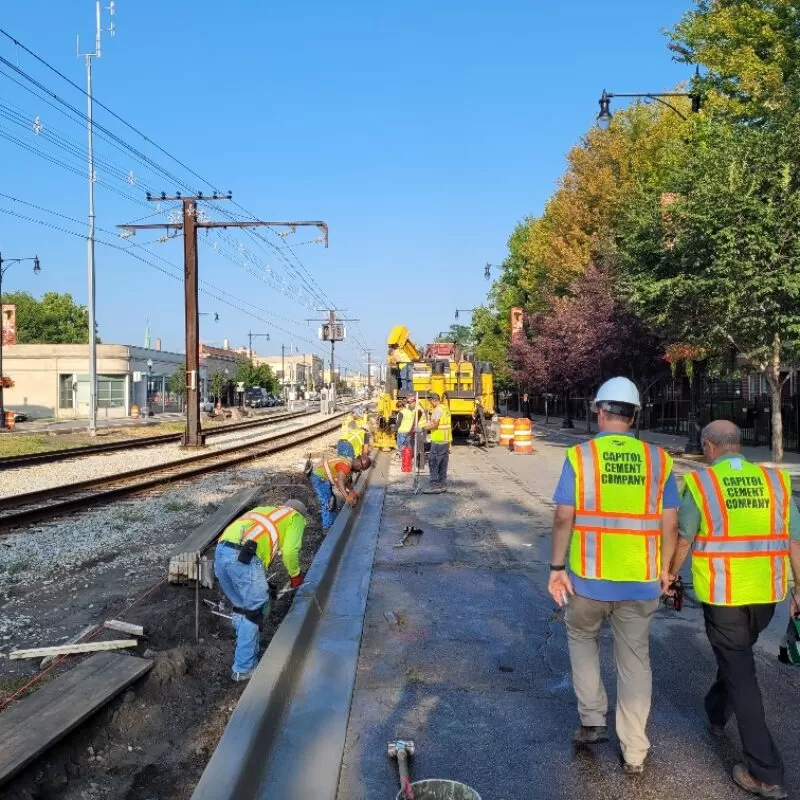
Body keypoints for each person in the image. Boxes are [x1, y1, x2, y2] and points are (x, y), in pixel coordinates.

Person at [548, 376, 680, 775]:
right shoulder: (659, 460)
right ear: (635, 415)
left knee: (582, 640)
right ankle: (635, 751)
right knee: (636, 661)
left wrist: (556, 568)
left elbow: (563, 517)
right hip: (640, 582)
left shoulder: (581, 457)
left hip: (588, 579)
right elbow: (670, 525)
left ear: (601, 412)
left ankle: (592, 720)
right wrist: (666, 570)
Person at [668, 420, 800, 799]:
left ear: (709, 446)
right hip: (766, 596)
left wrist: (669, 574)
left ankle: (765, 772)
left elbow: (684, 537)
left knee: (741, 673)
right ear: (738, 445)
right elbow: (794, 540)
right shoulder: (774, 483)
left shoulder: (703, 483)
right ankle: (715, 711)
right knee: (736, 661)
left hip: (724, 595)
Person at [214, 499, 308, 682]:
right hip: (243, 558)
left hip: (220, 553)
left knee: (241, 606)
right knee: (254, 611)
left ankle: (245, 648)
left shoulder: (265, 510)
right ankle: (244, 668)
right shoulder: (295, 517)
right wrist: (295, 575)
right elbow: (290, 551)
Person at [310, 454, 371, 529]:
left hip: (322, 475)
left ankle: (332, 520)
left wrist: (352, 491)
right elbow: (340, 482)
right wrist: (346, 497)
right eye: (360, 469)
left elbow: (345, 480)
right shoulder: (346, 466)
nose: (358, 471)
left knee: (332, 500)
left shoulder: (348, 462)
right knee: (327, 502)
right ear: (359, 465)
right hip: (319, 477)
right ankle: (327, 526)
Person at [422, 393, 451, 492]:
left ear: (434, 400)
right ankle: (442, 484)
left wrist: (423, 428)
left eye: (431, 402)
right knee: (443, 462)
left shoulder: (437, 410)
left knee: (433, 460)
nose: (430, 404)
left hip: (438, 440)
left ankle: (435, 485)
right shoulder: (445, 408)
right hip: (445, 440)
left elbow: (435, 425)